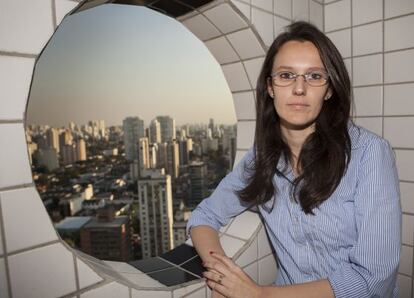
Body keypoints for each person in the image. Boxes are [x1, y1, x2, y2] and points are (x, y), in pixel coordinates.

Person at [186, 21, 401, 298]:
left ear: (329, 89)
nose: (299, 88)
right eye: (286, 75)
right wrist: (222, 274)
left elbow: (373, 278)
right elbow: (205, 215)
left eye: (314, 76)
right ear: (271, 87)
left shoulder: (370, 154)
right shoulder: (262, 157)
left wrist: (259, 294)